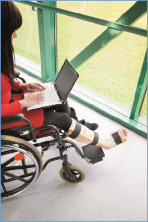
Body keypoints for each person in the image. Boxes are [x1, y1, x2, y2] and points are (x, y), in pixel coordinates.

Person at [1, 1, 128, 153]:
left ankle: (78, 127)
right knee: (61, 118)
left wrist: (19, 86)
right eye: (12, 30)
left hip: (12, 104)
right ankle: (103, 141)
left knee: (58, 96)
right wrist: (24, 102)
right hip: (8, 119)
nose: (16, 34)